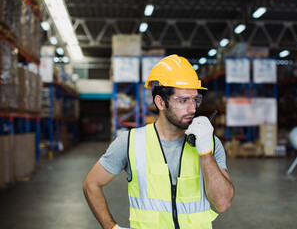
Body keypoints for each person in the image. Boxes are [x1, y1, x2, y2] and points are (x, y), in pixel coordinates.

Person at [83, 54, 234, 229]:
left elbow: (222, 203)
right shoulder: (131, 142)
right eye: (183, 100)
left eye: (195, 100)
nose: (192, 108)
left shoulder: (210, 143)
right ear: (160, 102)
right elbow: (91, 184)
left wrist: (206, 153)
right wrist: (112, 228)